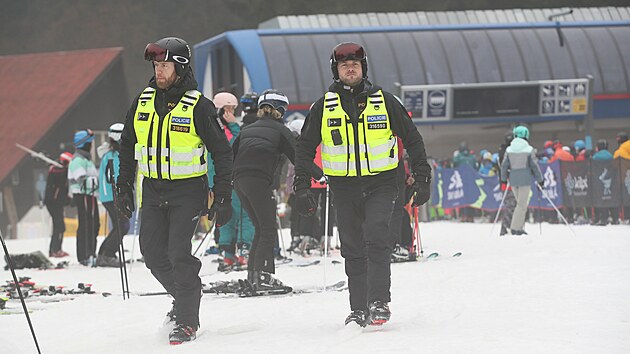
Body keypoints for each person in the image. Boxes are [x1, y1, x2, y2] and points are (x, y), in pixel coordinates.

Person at [293, 42, 432, 327]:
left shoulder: (385, 100)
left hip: (381, 183)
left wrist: (422, 176)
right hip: (343, 187)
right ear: (337, 70)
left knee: (377, 235)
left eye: (355, 64)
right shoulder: (323, 106)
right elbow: (304, 147)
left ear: (363, 67)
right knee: (353, 246)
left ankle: (379, 301)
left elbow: (413, 138)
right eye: (345, 65)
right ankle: (358, 307)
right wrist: (302, 185)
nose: (350, 68)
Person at [116, 36, 233, 345]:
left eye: (164, 65)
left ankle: (186, 318)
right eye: (156, 65)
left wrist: (222, 196)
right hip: (152, 190)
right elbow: (127, 145)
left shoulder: (198, 105)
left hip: (188, 191)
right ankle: (186, 296)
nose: (159, 71)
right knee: (153, 254)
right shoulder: (142, 101)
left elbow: (221, 152)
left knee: (178, 253)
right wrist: (123, 186)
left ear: (180, 67)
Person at [232, 89, 322, 293]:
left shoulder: (247, 129)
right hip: (258, 181)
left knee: (261, 228)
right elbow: (299, 157)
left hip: (239, 181)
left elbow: (231, 154)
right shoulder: (281, 130)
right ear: (280, 110)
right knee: (269, 229)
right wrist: (320, 175)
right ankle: (262, 276)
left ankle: (254, 276)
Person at [211, 92, 254, 272]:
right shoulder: (225, 129)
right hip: (231, 179)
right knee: (244, 215)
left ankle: (228, 255)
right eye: (229, 109)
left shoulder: (211, 126)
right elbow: (238, 145)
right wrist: (235, 126)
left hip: (219, 179)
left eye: (233, 109)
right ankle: (241, 253)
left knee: (226, 216)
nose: (232, 113)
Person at [95, 123, 129, 267]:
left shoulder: (112, 154)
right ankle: (107, 255)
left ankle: (104, 254)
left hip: (109, 196)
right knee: (123, 225)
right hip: (112, 196)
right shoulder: (113, 156)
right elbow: (113, 177)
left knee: (119, 225)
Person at [500, 126, 544, 235]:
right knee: (521, 205)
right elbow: (534, 166)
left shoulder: (509, 149)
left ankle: (517, 227)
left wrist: (504, 179)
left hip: (513, 180)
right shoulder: (528, 149)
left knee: (520, 204)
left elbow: (504, 166)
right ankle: (515, 228)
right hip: (525, 180)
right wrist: (540, 180)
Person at [68, 129, 100, 265]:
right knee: (87, 224)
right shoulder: (77, 160)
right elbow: (81, 179)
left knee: (94, 224)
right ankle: (84, 255)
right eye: (90, 143)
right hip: (83, 195)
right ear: (85, 144)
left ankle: (91, 251)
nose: (92, 146)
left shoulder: (86, 160)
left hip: (90, 195)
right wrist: (94, 181)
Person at [45, 152, 73, 258]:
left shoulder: (60, 170)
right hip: (53, 202)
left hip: (57, 202)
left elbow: (63, 189)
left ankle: (56, 249)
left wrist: (67, 200)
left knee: (59, 226)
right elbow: (59, 185)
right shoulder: (57, 170)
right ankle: (54, 250)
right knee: (59, 226)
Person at [591, 139, 618, 225]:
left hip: (598, 182)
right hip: (611, 180)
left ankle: (602, 218)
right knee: (611, 197)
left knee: (600, 199)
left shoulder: (595, 157)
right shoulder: (611, 156)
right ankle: (615, 218)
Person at [497, 131, 517, 235]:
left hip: (515, 180)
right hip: (507, 181)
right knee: (510, 206)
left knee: (516, 205)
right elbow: (502, 165)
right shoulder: (503, 151)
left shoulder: (513, 149)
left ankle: (515, 227)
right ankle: (504, 228)